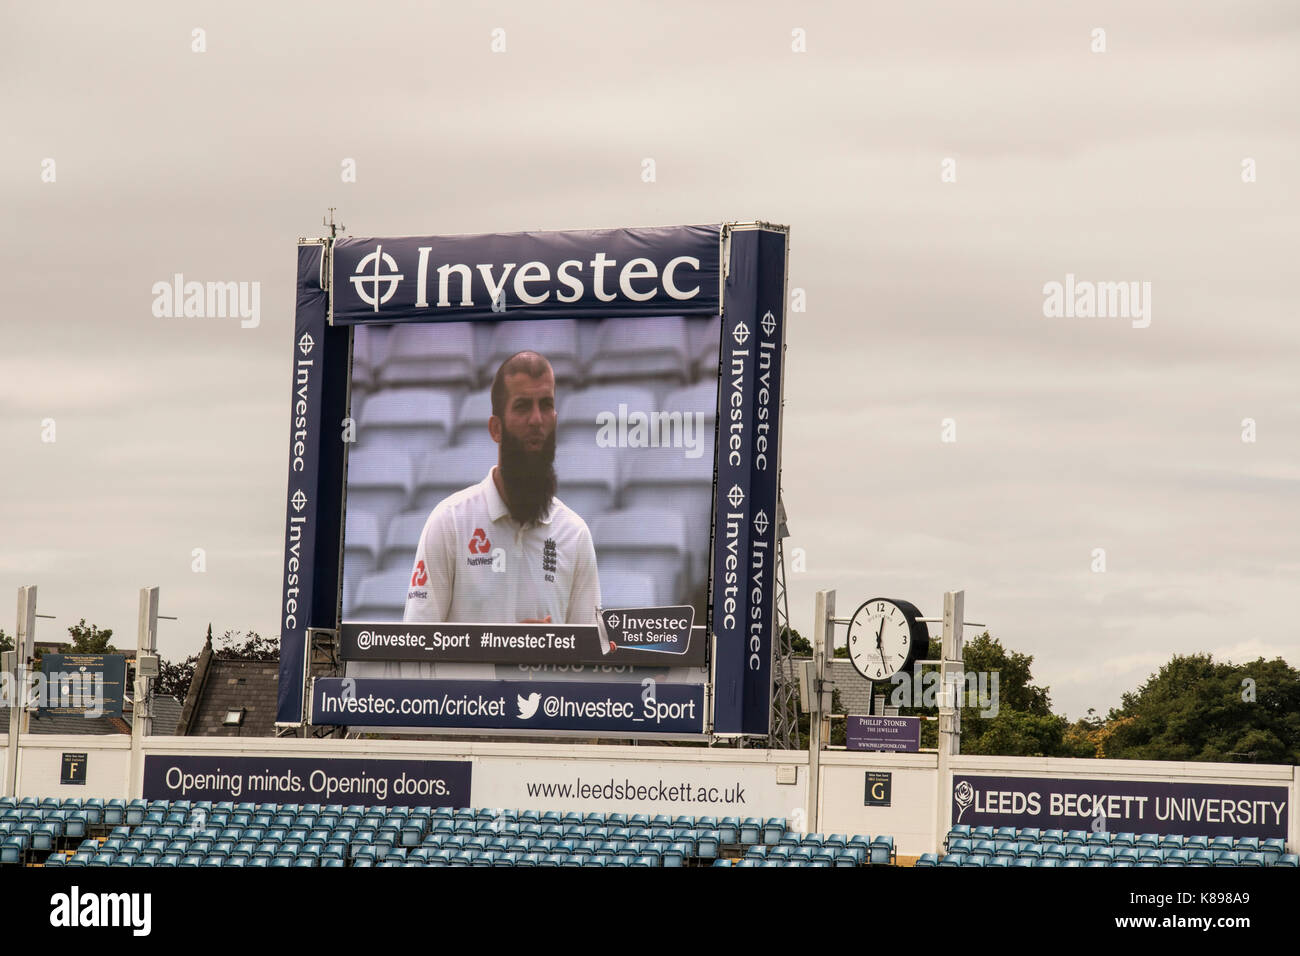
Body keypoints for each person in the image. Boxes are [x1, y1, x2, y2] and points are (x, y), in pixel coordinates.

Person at [403, 350, 601, 627]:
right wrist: (506, 650)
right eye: (522, 406)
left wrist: (550, 655)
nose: (536, 419)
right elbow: (413, 648)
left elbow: (587, 660)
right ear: (495, 428)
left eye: (545, 405)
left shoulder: (575, 535)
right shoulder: (450, 522)